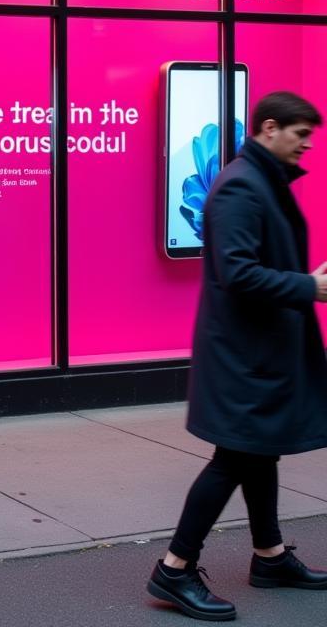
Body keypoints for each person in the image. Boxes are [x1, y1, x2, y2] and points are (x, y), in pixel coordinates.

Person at [147, 91, 327, 621]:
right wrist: (307, 287)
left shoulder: (258, 182)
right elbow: (237, 273)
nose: (307, 146)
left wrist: (302, 282)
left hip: (258, 351)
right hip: (243, 356)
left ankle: (269, 557)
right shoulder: (241, 188)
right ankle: (174, 569)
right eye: (300, 135)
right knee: (234, 458)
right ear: (269, 128)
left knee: (258, 450)